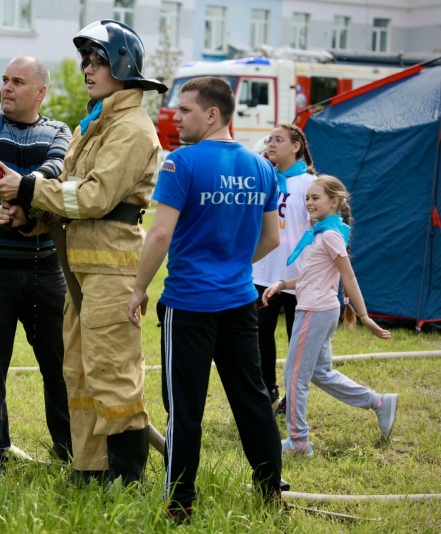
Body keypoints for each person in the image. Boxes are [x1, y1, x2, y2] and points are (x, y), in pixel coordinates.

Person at [0, 20, 167, 485]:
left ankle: (126, 477)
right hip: (82, 266)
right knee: (81, 374)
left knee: (112, 373)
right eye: (86, 60)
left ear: (123, 66)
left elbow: (95, 197)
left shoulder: (130, 127)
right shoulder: (95, 124)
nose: (87, 68)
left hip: (111, 268)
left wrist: (28, 187)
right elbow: (69, 196)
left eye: (98, 61)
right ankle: (91, 469)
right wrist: (30, 216)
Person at [128, 76, 283, 520]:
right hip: (239, 302)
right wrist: (232, 264)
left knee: (185, 409)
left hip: (189, 305)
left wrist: (138, 288)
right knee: (252, 400)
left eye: (185, 110)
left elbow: (159, 233)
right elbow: (272, 239)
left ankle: (178, 505)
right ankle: (271, 493)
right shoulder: (262, 167)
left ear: (212, 114)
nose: (175, 117)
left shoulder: (182, 163)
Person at [0, 56, 73, 471]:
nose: (6, 88)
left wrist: (21, 197)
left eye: (18, 81)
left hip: (44, 270)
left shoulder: (59, 130)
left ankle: (71, 451)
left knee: (60, 366)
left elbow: (57, 169)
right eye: (4, 80)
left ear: (40, 91)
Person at [261, 175, 395, 457]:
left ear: (333, 202)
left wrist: (364, 316)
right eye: (307, 198)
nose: (309, 203)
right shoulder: (321, 233)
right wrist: (283, 284)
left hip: (315, 311)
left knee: (295, 376)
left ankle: (298, 442)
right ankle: (379, 402)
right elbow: (311, 276)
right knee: (320, 373)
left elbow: (348, 276)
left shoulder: (330, 235)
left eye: (315, 198)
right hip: (317, 308)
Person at [252, 123, 316, 409]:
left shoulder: (311, 184)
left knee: (296, 341)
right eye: (270, 139)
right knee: (260, 335)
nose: (272, 143)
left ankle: (294, 398)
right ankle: (268, 391)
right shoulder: (264, 179)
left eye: (279, 139)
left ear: (296, 146)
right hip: (264, 273)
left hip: (298, 277)